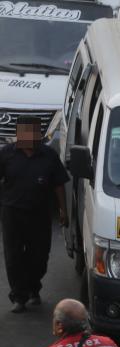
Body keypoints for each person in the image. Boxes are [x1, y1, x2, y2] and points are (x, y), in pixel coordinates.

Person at [0, 115, 69, 313]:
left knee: (39, 257)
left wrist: (63, 210)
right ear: (18, 134)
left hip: (39, 214)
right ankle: (19, 297)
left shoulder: (49, 156)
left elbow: (59, 184)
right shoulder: (6, 154)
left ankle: (33, 287)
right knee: (13, 257)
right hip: (12, 213)